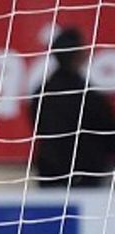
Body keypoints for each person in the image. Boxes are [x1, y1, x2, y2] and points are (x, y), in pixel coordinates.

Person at [28, 27, 115, 188]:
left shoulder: (41, 94)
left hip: (50, 175)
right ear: (78, 55)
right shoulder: (89, 96)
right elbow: (107, 131)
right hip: (85, 177)